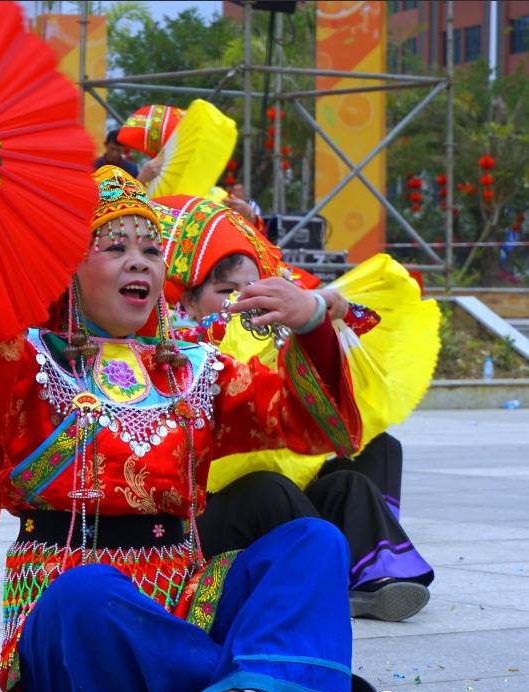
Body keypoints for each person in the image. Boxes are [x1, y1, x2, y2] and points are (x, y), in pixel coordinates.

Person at [0, 119, 376, 692]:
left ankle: (231, 688)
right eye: (114, 247)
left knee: (314, 541)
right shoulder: (26, 364)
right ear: (68, 268)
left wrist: (312, 325)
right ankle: (267, 679)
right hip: (67, 614)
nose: (138, 261)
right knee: (89, 593)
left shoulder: (196, 370)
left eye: (149, 250)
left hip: (186, 597)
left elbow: (321, 425)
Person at [155, 193, 434, 621]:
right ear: (189, 301)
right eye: (225, 291)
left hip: (282, 485)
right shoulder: (179, 343)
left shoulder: (269, 329)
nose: (241, 299)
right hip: (210, 511)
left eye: (251, 289)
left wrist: (324, 310)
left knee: (361, 468)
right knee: (269, 487)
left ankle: (372, 574)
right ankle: (331, 574)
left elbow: (343, 324)